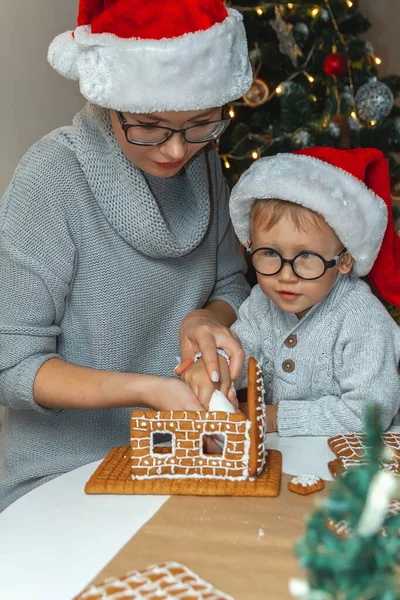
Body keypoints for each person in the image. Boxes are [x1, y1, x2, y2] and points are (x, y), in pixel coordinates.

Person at [0, 0, 253, 510]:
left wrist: (205, 317)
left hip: (175, 462)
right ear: (109, 97)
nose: (175, 152)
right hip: (59, 476)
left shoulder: (204, 169)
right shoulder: (53, 178)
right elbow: (13, 365)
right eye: (149, 126)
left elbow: (231, 284)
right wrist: (146, 389)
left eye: (200, 125)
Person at [180, 147, 400, 436]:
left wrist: (274, 418)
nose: (285, 275)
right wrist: (214, 365)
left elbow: (370, 413)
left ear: (344, 259)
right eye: (270, 252)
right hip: (288, 456)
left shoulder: (362, 318)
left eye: (306, 256)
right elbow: (241, 348)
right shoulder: (263, 301)